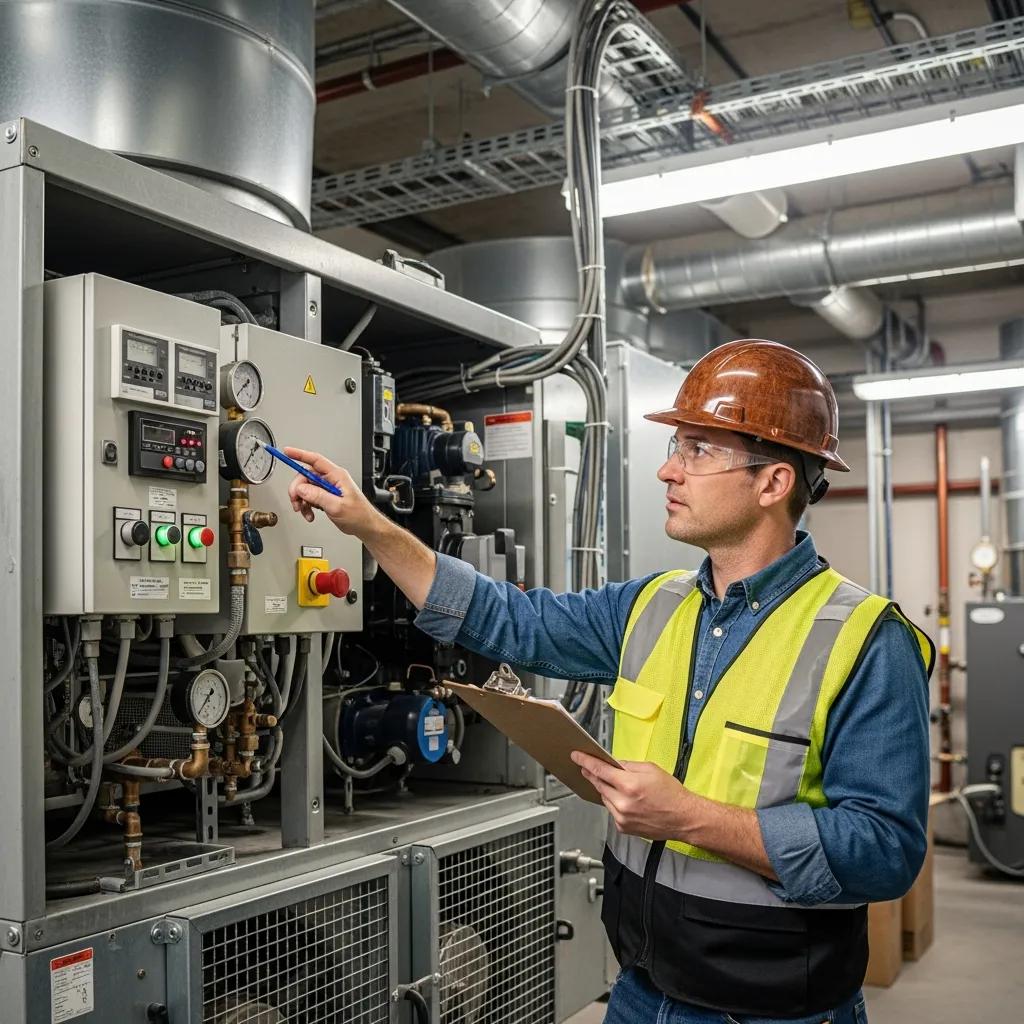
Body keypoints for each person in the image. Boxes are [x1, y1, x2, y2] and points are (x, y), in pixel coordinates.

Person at [283, 339, 933, 1024]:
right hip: (638, 994)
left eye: (697, 451)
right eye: (677, 447)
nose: (666, 471)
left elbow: (885, 851)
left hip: (774, 1012)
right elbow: (506, 618)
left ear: (773, 482)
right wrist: (366, 523)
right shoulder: (651, 606)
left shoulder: (865, 638)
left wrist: (690, 817)